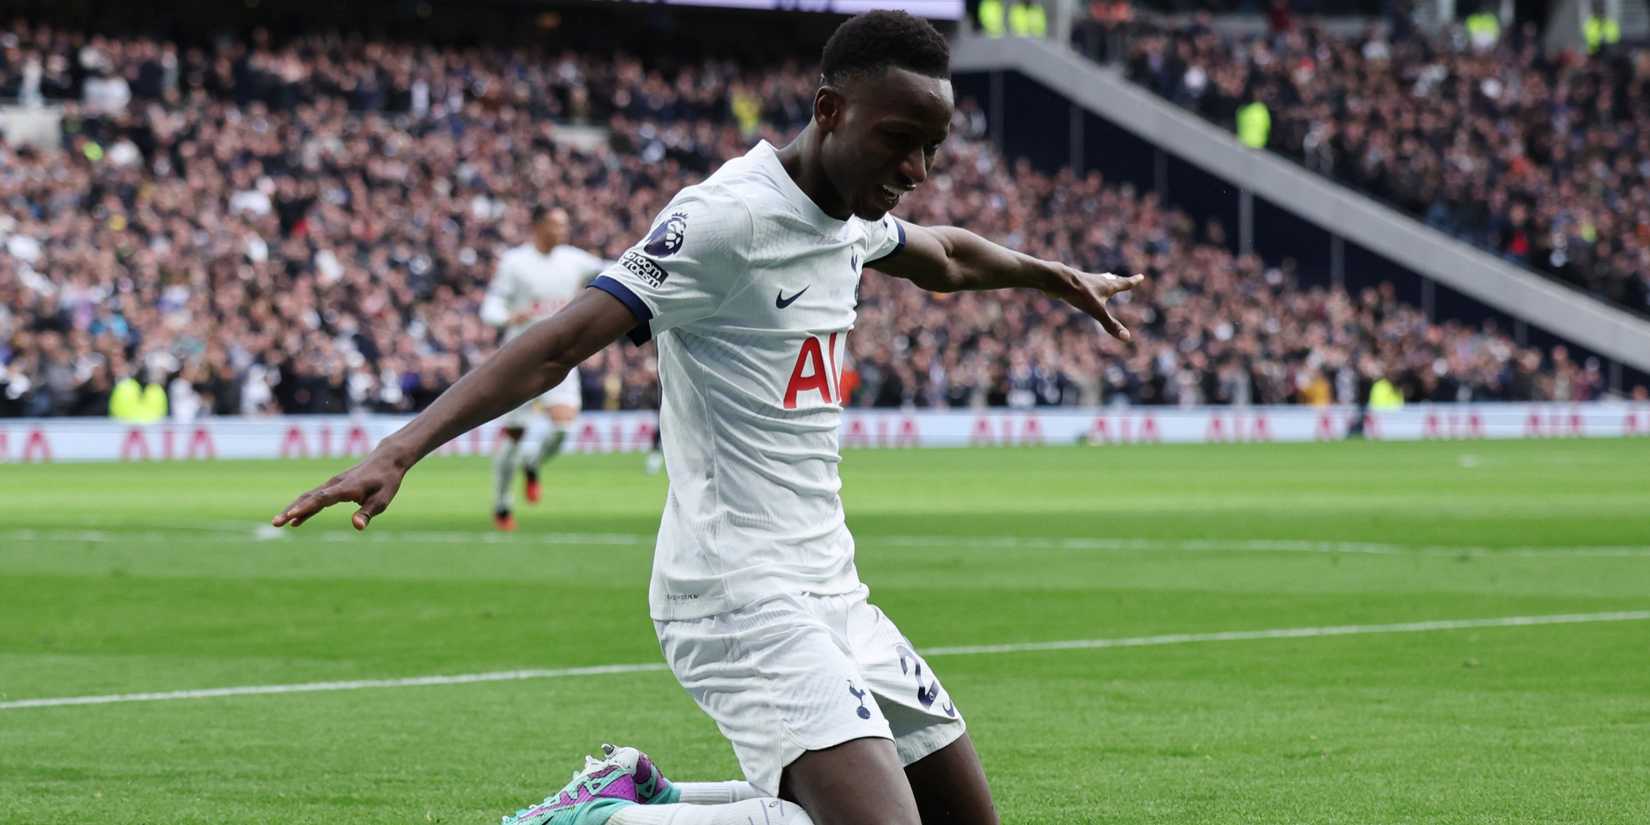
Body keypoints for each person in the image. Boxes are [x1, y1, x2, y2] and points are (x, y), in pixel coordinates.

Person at [271, 12, 1142, 825]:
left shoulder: (847, 215)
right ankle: (608, 820)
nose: (916, 170)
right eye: (899, 142)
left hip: (832, 588)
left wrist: (1055, 275)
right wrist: (399, 449)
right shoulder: (727, 218)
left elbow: (947, 254)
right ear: (829, 111)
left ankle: (649, 795)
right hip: (735, 592)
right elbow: (560, 340)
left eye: (933, 149)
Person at [479, 205, 607, 531]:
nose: (562, 230)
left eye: (565, 224)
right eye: (555, 224)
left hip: (561, 354)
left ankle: (532, 464)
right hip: (520, 357)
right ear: (538, 226)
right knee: (514, 433)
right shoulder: (515, 263)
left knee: (563, 428)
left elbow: (612, 267)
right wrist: (507, 317)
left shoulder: (574, 260)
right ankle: (502, 505)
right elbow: (491, 304)